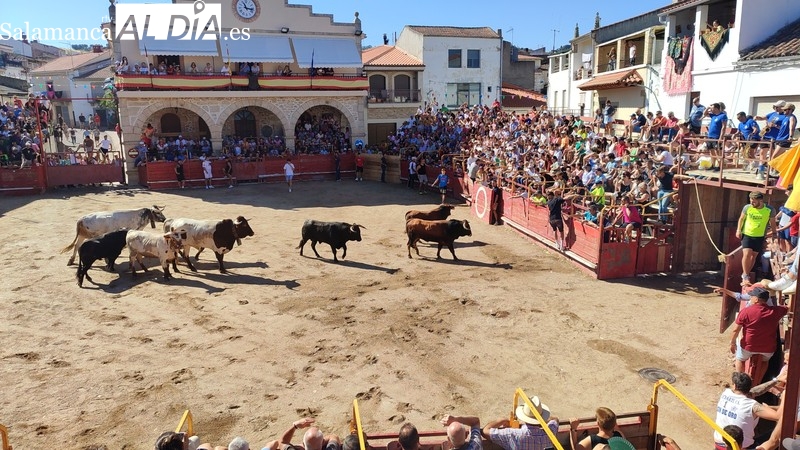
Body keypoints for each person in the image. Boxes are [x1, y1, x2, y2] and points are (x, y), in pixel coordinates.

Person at [729, 286, 787, 384]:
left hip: (748, 346)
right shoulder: (776, 311)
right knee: (765, 361)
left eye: (751, 296)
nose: (750, 298)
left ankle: (738, 382)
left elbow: (735, 330)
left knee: (740, 358)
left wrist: (732, 343)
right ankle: (756, 383)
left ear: (756, 299)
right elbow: (787, 308)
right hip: (768, 349)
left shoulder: (746, 311)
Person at [713, 372, 779, 450]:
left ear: (734, 386)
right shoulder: (751, 406)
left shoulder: (726, 393)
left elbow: (754, 391)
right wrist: (780, 395)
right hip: (741, 447)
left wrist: (776, 380)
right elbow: (779, 417)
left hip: (720, 445)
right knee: (775, 437)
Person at [483, 395, 558, 450]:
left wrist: (501, 420)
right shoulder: (550, 432)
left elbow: (485, 431)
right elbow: (555, 419)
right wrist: (541, 421)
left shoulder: (511, 434)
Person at [737, 192, 777, 285]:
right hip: (747, 234)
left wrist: (774, 233)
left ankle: (745, 273)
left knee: (753, 256)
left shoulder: (769, 210)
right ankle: (746, 276)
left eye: (754, 201)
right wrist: (738, 230)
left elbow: (772, 222)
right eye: (751, 200)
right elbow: (741, 219)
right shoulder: (747, 208)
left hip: (759, 236)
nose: (752, 203)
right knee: (747, 254)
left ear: (761, 201)